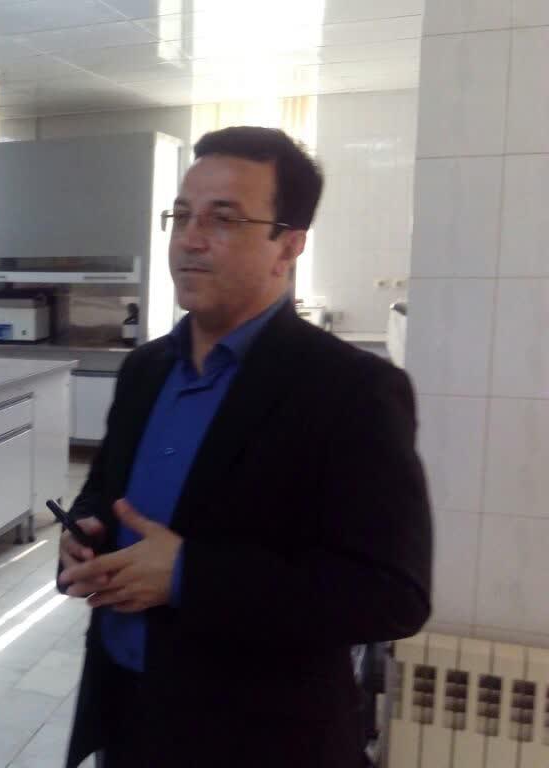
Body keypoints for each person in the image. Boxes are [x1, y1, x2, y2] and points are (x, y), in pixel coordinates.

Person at [56, 127, 432, 768]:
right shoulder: (145, 370)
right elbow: (105, 490)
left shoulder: (352, 390)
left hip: (259, 739)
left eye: (224, 219)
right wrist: (85, 529)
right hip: (127, 719)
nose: (190, 239)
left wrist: (186, 575)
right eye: (182, 216)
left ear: (289, 245)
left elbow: (392, 595)